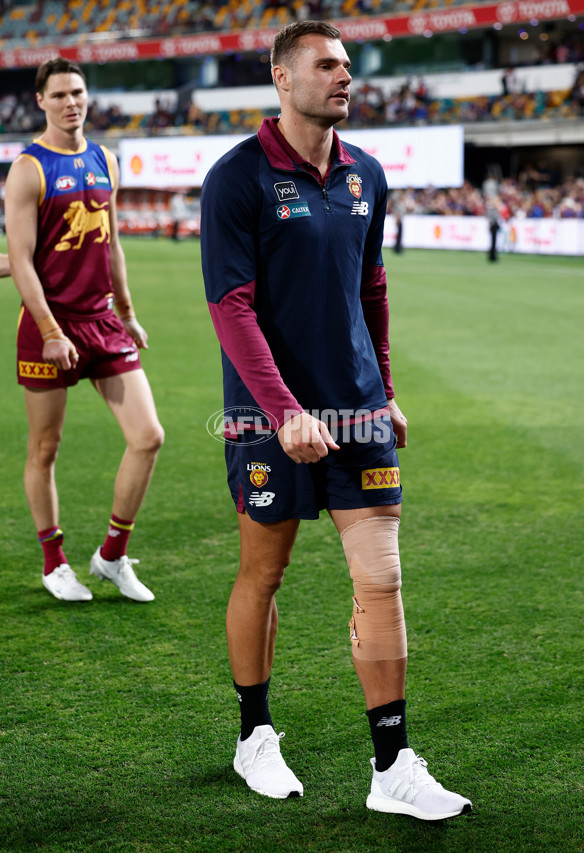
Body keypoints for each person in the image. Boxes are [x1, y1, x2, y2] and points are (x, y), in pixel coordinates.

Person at [201, 20, 472, 820]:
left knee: (382, 579)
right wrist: (282, 412)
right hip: (267, 417)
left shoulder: (367, 174)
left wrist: (383, 388)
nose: (343, 76)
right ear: (282, 78)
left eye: (348, 65)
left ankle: (392, 765)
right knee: (263, 572)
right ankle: (255, 733)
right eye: (326, 65)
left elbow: (372, 287)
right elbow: (231, 306)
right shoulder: (237, 178)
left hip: (359, 411)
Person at [5, 58, 164, 603]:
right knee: (45, 447)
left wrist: (127, 311)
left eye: (78, 92)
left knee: (148, 437)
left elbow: (111, 241)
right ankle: (55, 563)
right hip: (49, 323)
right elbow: (21, 262)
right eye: (60, 94)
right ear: (41, 101)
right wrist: (50, 329)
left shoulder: (104, 160)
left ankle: (112, 556)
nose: (71, 102)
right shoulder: (28, 169)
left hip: (100, 320)